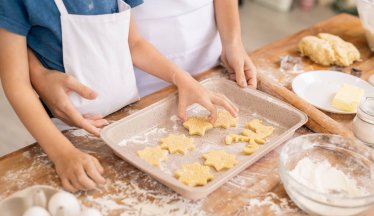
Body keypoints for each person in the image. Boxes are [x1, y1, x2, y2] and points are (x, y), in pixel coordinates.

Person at [0, 0, 237, 192]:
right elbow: (16, 84)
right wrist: (62, 153)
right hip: (71, 132)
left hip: (126, 117)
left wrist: (181, 78)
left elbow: (134, 45)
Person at [27, 0, 257, 135]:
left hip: (203, 68)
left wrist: (232, 41)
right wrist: (38, 74)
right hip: (122, 83)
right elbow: (13, 29)